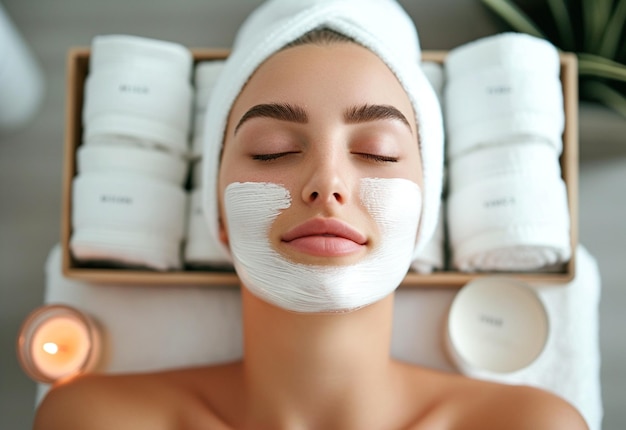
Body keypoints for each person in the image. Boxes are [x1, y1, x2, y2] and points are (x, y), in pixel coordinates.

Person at [34, 0, 588, 428]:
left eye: (378, 152)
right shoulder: (93, 419)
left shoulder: (529, 425)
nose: (327, 184)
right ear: (217, 214)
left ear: (425, 218)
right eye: (272, 149)